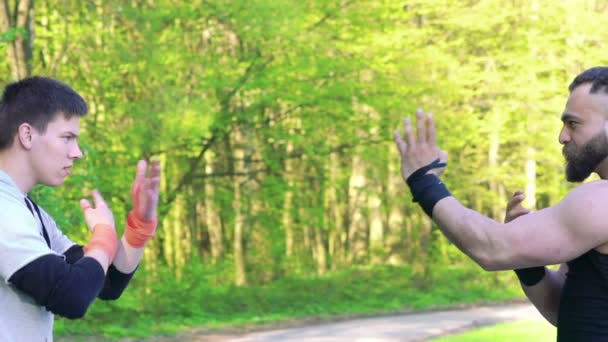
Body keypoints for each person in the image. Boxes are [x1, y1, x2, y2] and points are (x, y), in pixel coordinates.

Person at [394, 66, 608, 341]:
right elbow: (560, 309)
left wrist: (424, 181)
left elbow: (492, 249)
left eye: (573, 123)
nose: (562, 136)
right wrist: (528, 262)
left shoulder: (600, 200)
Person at [0, 76, 161, 341]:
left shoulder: (27, 209)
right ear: (27, 134)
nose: (77, 152)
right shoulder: (4, 210)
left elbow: (104, 282)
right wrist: (103, 233)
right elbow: (71, 297)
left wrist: (139, 227)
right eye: (67, 138)